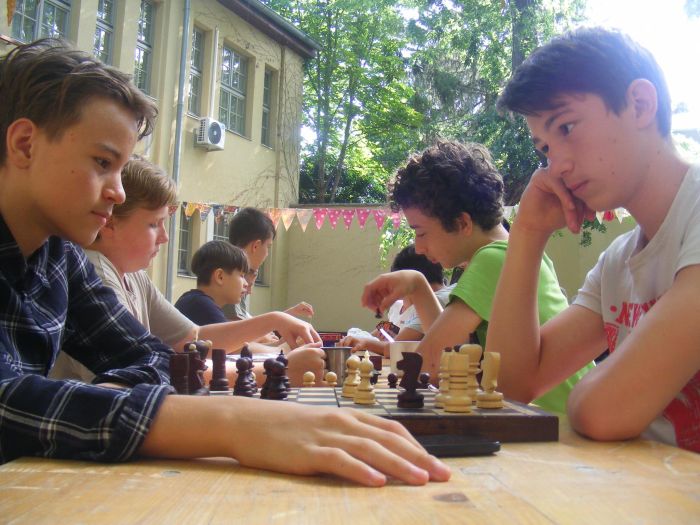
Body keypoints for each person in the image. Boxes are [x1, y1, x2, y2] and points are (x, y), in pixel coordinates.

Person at [0, 38, 450, 486]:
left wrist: (111, 393)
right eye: (103, 162)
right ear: (24, 145)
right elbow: (9, 402)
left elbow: (157, 359)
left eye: (120, 169)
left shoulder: (58, 258)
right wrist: (233, 422)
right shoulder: (74, 255)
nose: (118, 192)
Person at [487, 27, 700, 451]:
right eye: (545, 148)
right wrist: (527, 232)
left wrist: (586, 399)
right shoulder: (618, 263)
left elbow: (604, 412)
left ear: (640, 104)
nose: (556, 166)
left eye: (566, 127)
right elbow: (510, 387)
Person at [361, 140, 593, 414]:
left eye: (421, 232)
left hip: (554, 426)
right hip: (547, 418)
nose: (419, 248)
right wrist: (418, 285)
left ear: (462, 223)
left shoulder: (493, 259)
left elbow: (428, 365)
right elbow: (451, 356)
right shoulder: (513, 254)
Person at [49, 157, 324, 386]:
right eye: (154, 224)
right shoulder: (95, 272)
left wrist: (274, 319)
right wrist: (273, 371)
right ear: (110, 222)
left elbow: (194, 339)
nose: (165, 237)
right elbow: (141, 371)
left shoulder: (133, 276)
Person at [340, 244, 455, 356]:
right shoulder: (404, 305)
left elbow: (397, 347)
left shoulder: (437, 300)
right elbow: (386, 329)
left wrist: (365, 342)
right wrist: (366, 337)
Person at [225, 207, 314, 325]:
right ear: (256, 246)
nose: (267, 254)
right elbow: (239, 330)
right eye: (268, 247)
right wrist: (281, 319)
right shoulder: (231, 278)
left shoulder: (236, 273)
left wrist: (286, 315)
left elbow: (248, 325)